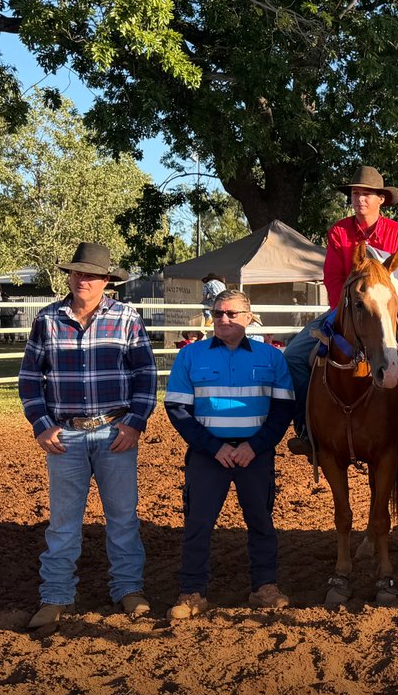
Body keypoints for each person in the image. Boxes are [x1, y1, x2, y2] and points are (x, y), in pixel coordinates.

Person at [17, 242, 157, 629]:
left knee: (123, 517)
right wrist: (41, 425)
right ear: (70, 276)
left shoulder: (127, 318)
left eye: (91, 274)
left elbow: (145, 374)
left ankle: (128, 589)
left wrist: (135, 422)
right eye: (78, 272)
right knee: (63, 522)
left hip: (115, 431)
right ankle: (56, 595)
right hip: (66, 435)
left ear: (106, 281)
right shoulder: (47, 319)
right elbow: (30, 379)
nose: (83, 279)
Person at [284, 166, 398, 454]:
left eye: (366, 194)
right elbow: (332, 278)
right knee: (293, 355)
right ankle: (306, 429)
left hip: (390, 312)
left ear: (381, 199)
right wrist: (345, 313)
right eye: (355, 193)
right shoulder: (339, 232)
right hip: (347, 310)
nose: (360, 199)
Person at [165, 289, 296, 619]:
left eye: (231, 313)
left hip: (256, 454)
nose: (223, 319)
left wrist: (255, 446)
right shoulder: (190, 356)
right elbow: (178, 409)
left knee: (261, 521)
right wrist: (215, 447)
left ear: (249, 318)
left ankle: (264, 587)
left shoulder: (272, 358)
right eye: (218, 313)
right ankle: (192, 592)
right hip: (209, 454)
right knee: (198, 523)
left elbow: (283, 409)